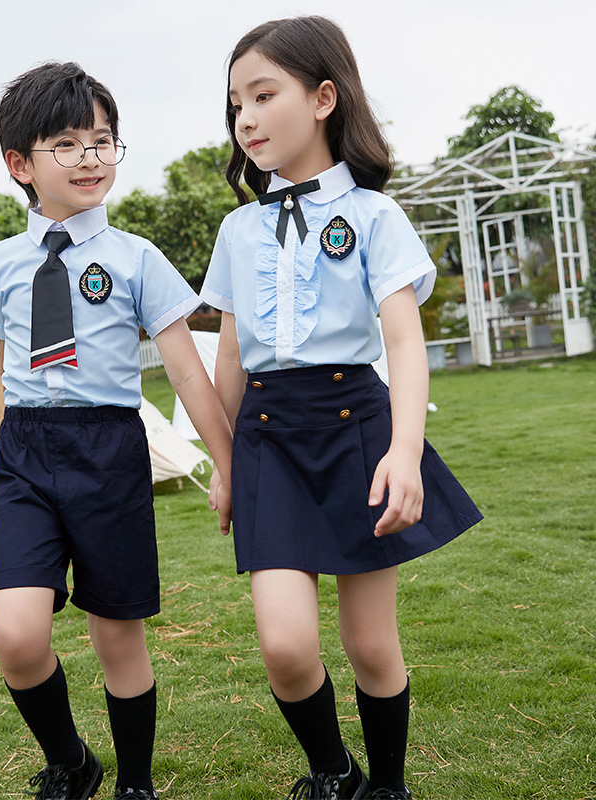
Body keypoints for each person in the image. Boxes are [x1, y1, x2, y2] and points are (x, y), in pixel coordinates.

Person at [201, 17, 482, 800]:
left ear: (324, 97)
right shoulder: (237, 228)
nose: (245, 120)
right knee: (285, 646)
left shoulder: (373, 218)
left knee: (368, 642)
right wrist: (222, 464)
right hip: (265, 439)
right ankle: (333, 773)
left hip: (358, 427)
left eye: (263, 95)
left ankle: (387, 787)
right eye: (235, 105)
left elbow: (404, 343)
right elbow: (229, 352)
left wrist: (403, 449)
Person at [0, 62, 232, 800]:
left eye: (104, 140)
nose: (91, 156)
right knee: (17, 636)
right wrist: (10, 446)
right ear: (19, 164)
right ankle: (72, 762)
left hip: (109, 450)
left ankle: (137, 784)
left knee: (117, 634)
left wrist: (228, 466)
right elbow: (4, 366)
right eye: (67, 143)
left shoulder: (137, 259)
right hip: (26, 450)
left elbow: (188, 375)